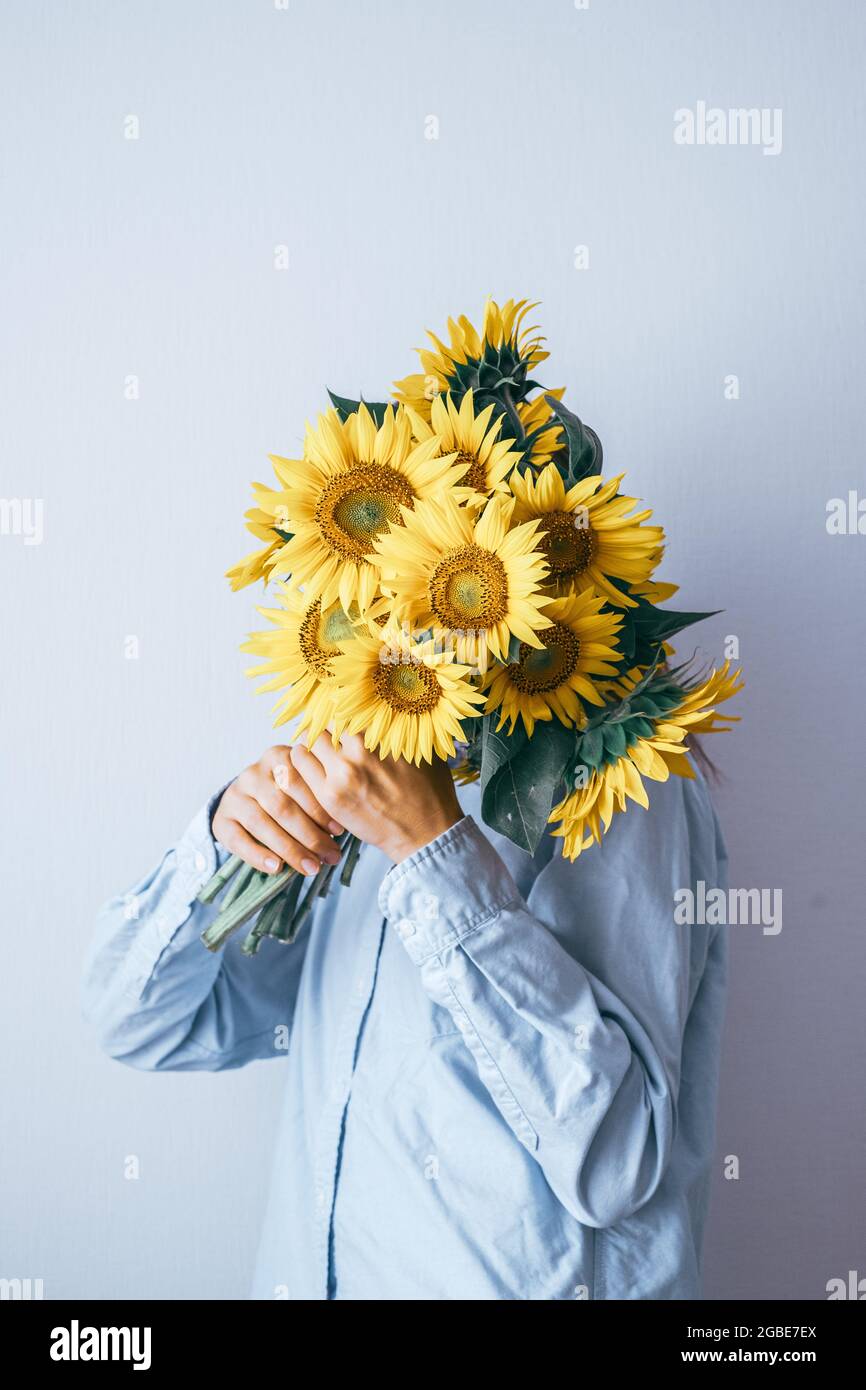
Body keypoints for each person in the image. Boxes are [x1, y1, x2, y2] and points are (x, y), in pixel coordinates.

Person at [81, 732, 729, 1300]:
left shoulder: (626, 767)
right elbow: (140, 1023)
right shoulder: (371, 749)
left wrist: (433, 848)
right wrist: (227, 838)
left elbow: (618, 1158)